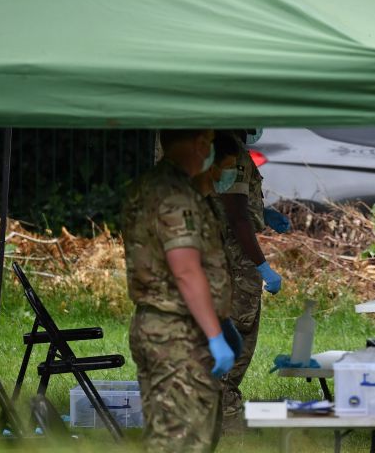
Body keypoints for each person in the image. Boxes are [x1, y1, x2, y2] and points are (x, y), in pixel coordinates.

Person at [122, 129, 234, 453]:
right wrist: (215, 335)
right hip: (178, 334)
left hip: (158, 326)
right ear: (201, 144)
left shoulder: (146, 186)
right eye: (210, 144)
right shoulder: (175, 195)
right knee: (181, 442)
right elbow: (185, 269)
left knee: (167, 434)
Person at [219, 129, 286, 430]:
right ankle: (225, 415)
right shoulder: (226, 148)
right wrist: (262, 267)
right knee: (237, 334)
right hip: (233, 262)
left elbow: (235, 202)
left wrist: (262, 212)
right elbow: (236, 216)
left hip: (225, 257)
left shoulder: (221, 145)